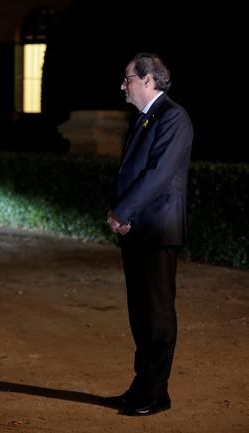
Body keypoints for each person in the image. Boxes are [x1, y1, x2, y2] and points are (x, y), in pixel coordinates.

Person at [103, 53, 193, 416]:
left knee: (157, 315)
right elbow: (131, 173)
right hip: (138, 229)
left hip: (158, 229)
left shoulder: (173, 117)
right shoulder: (144, 118)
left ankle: (157, 393)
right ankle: (141, 387)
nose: (122, 85)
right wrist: (122, 214)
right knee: (139, 314)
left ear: (148, 80)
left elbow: (157, 175)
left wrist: (122, 212)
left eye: (127, 79)